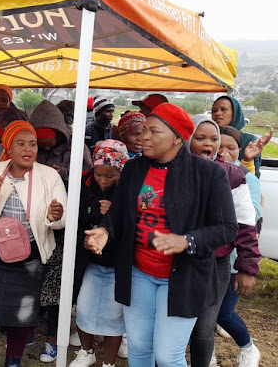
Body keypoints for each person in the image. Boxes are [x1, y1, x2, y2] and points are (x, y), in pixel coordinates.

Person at [84, 103, 238, 367]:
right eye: (143, 131)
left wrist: (187, 240)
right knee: (140, 349)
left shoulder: (207, 174)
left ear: (177, 137)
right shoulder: (134, 169)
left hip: (182, 278)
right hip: (139, 273)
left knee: (168, 356)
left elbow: (226, 227)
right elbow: (119, 213)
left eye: (154, 131)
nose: (144, 137)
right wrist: (104, 230)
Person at [0, 121, 67, 367]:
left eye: (32, 144)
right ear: (9, 146)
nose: (28, 149)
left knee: (23, 313)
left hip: (30, 254)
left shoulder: (49, 175)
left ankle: (13, 360)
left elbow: (62, 218)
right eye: (20, 143)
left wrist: (55, 217)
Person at [185, 116, 260, 367]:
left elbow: (247, 224)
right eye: (200, 138)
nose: (208, 144)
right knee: (172, 323)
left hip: (215, 264)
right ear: (187, 139)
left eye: (214, 139)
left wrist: (246, 268)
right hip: (177, 261)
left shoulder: (233, 175)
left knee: (204, 329)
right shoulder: (172, 170)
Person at [27, 100, 91, 362]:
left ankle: (54, 338)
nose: (43, 146)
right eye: (38, 140)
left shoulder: (78, 148)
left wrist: (63, 172)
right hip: (35, 224)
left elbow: (90, 178)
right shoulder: (31, 148)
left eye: (48, 140)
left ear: (59, 132)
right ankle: (28, 324)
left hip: (66, 225)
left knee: (58, 283)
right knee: (32, 278)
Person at [70, 139, 129, 367]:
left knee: (114, 315)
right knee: (83, 308)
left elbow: (136, 226)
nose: (103, 181)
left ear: (121, 171)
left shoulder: (131, 190)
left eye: (110, 176)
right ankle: (87, 351)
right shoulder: (83, 184)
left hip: (117, 263)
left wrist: (115, 213)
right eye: (99, 175)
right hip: (91, 262)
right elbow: (76, 219)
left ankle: (109, 362)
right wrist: (84, 241)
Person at [217, 126, 263, 367]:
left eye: (230, 148)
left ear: (239, 151)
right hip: (211, 259)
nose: (223, 152)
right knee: (205, 313)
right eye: (219, 146)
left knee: (223, 313)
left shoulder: (245, 178)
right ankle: (208, 355)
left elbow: (253, 220)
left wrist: (246, 266)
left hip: (234, 260)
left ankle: (248, 348)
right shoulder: (205, 172)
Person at [211, 96, 272, 177]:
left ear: (235, 113)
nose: (217, 113)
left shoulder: (249, 141)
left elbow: (253, 179)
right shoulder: (209, 139)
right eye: (214, 111)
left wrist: (247, 160)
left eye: (223, 109)